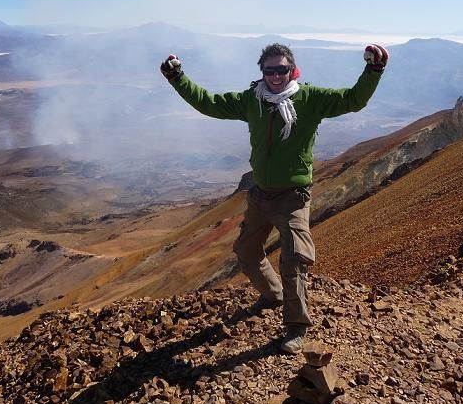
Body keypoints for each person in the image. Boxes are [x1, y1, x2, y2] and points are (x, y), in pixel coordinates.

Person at [160, 42, 388, 353]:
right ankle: (273, 294)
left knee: (293, 259)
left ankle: (295, 326)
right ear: (262, 72)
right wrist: (178, 79)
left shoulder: (310, 99)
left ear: (292, 69)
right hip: (259, 194)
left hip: (292, 197)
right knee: (246, 251)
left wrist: (373, 70)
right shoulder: (252, 100)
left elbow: (353, 100)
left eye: (281, 69)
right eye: (270, 70)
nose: (276, 75)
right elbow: (209, 103)